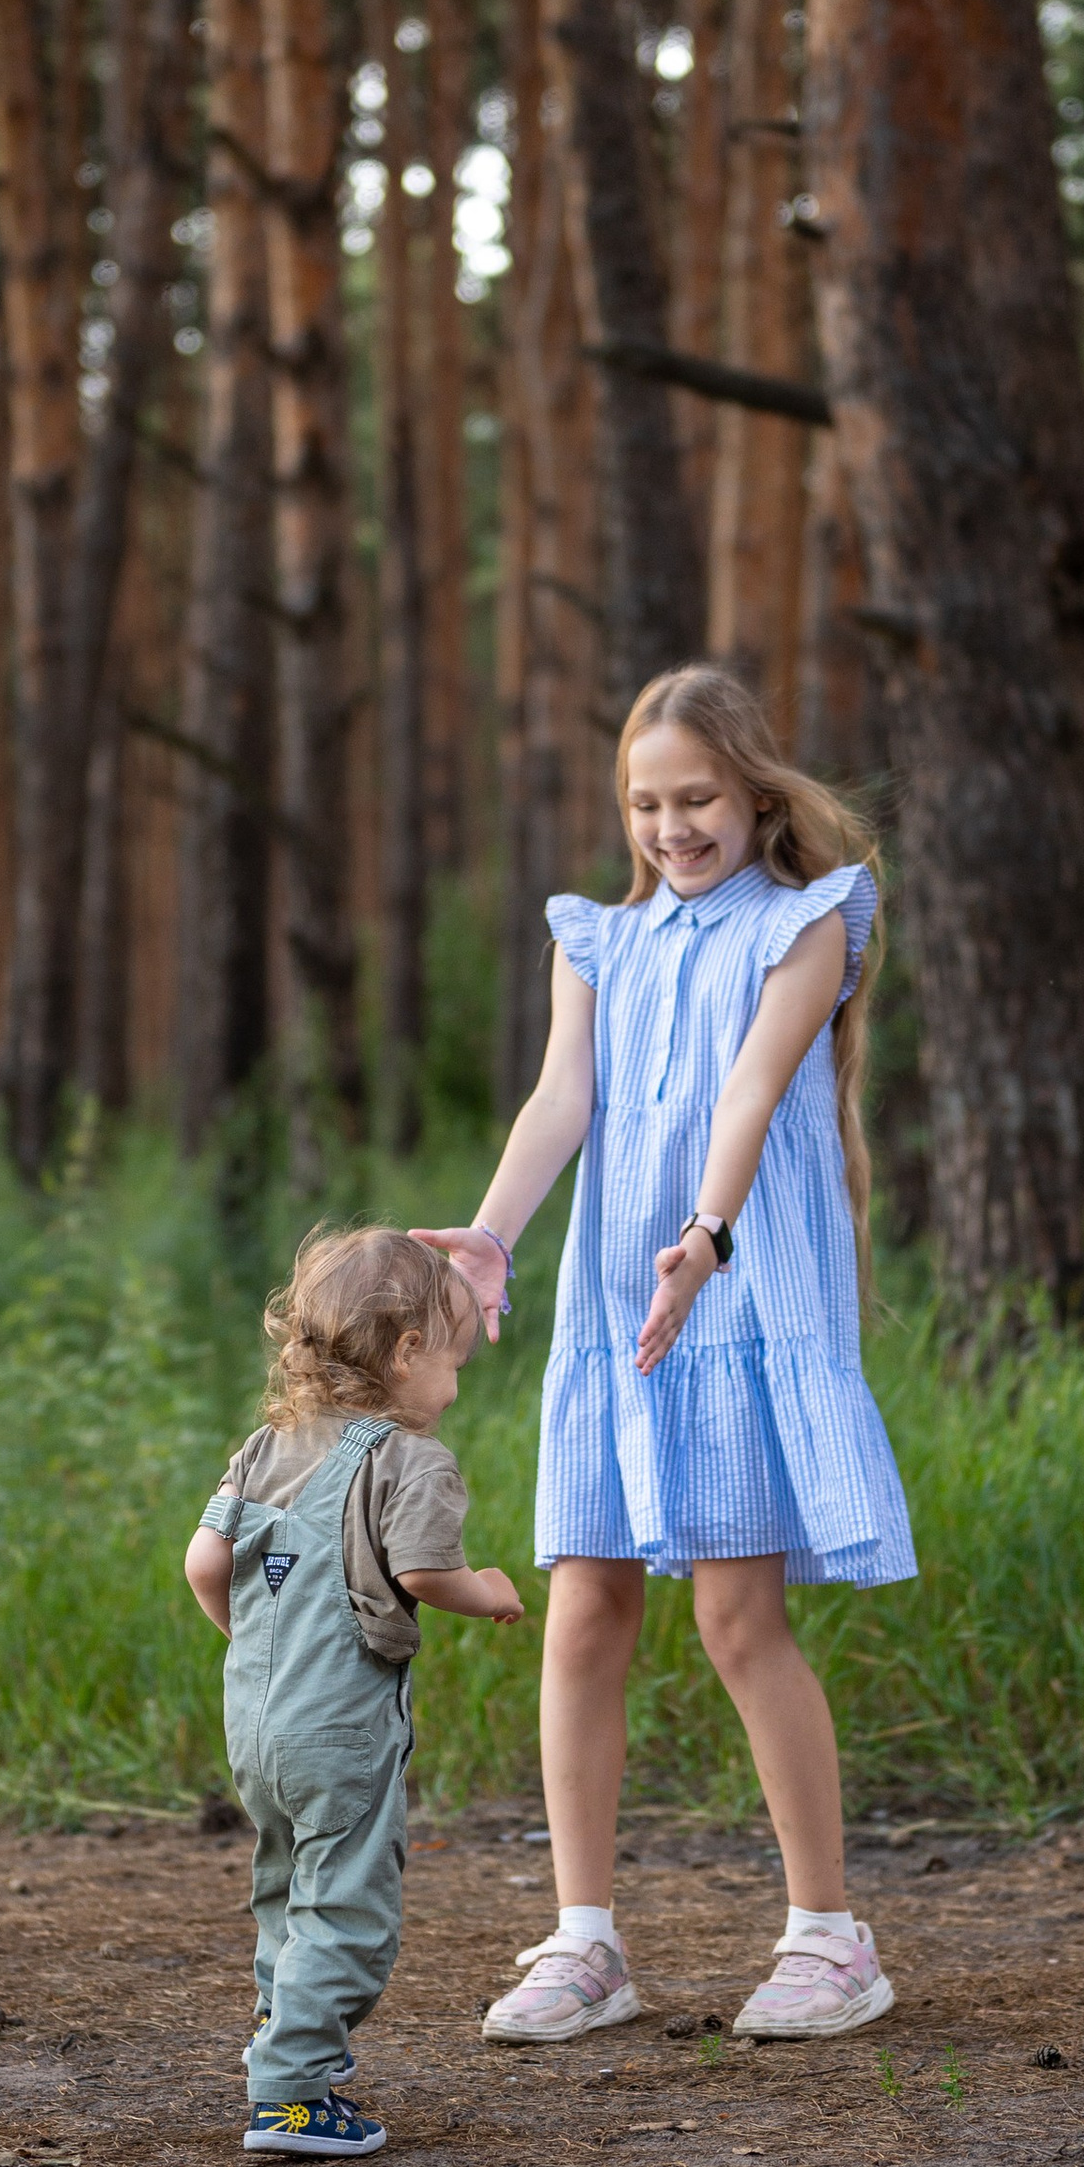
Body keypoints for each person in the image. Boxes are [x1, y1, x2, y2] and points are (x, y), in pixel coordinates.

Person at [417, 663, 915, 2048]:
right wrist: (491, 1238)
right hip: (620, 1315)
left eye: (696, 798)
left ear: (758, 795)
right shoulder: (598, 939)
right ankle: (587, 1944)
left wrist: (706, 1234)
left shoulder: (810, 921)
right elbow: (560, 1098)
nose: (671, 827)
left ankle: (830, 1938)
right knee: (584, 1613)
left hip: (733, 1296)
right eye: (646, 803)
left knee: (737, 1618)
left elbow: (754, 1086)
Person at [185, 1225, 523, 2158]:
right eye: (453, 1362)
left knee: (286, 1884)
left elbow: (202, 1560)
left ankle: (289, 2035)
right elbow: (422, 1571)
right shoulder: (411, 1462)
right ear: (408, 1353)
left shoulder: (263, 1450)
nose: (455, 1386)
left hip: (255, 1720)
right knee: (352, 1907)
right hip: (340, 1728)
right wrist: (488, 1590)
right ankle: (290, 2096)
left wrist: (253, 1639)